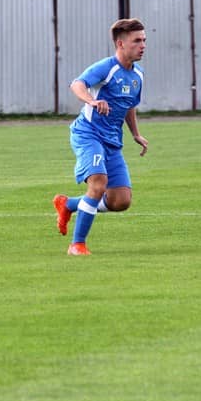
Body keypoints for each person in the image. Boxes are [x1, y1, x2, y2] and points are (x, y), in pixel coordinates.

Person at [53, 18, 149, 255]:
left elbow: (128, 105)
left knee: (121, 200)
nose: (143, 45)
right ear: (120, 43)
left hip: (112, 141)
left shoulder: (138, 75)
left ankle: (68, 204)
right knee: (98, 184)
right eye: (137, 41)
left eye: (144, 40)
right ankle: (77, 245)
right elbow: (77, 84)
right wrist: (92, 101)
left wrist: (136, 134)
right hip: (88, 134)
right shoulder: (106, 67)